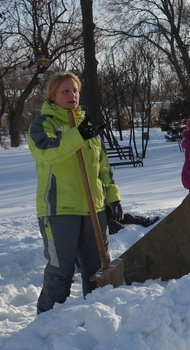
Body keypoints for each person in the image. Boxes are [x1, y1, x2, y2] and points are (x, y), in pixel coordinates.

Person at [28, 71, 122, 314]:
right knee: (61, 270)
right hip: (60, 209)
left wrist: (113, 198)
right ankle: (47, 323)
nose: (72, 95)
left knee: (97, 268)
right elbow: (48, 152)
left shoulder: (86, 126)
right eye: (65, 91)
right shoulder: (43, 125)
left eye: (75, 90)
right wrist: (78, 135)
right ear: (53, 96)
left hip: (94, 209)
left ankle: (97, 317)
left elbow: (103, 167)